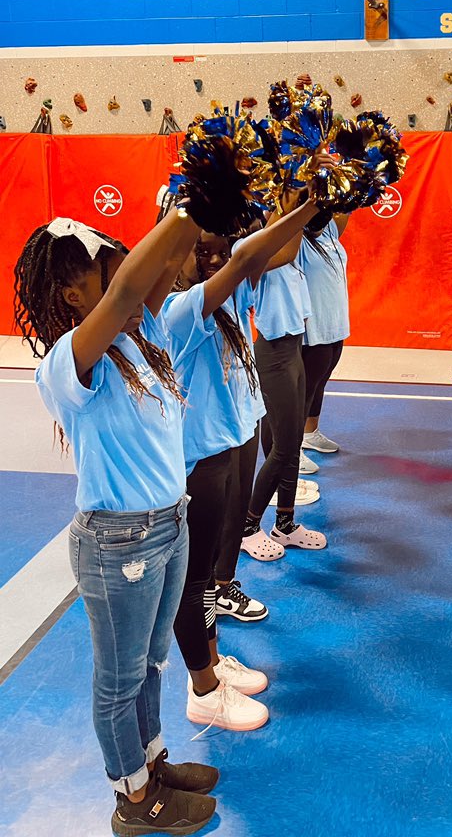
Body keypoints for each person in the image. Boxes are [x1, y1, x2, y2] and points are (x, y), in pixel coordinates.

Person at [14, 210, 219, 836]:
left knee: (150, 664)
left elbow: (145, 278)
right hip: (118, 542)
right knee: (119, 678)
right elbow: (134, 284)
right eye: (110, 275)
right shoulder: (67, 362)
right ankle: (133, 801)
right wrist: (190, 203)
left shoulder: (138, 331)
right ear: (75, 294)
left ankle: (151, 762)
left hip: (167, 526)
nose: (132, 284)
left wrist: (209, 203)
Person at [162, 200, 322, 733]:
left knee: (210, 575)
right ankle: (202, 688)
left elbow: (262, 255)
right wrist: (313, 198)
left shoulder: (228, 296)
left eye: (216, 249)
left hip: (226, 444)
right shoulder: (181, 308)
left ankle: (211, 661)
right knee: (196, 579)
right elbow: (242, 261)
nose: (211, 258)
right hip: (197, 456)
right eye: (198, 251)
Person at [241, 192, 328, 562]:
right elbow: (287, 243)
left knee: (292, 446)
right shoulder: (256, 253)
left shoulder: (289, 250)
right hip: (273, 356)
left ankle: (286, 524)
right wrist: (293, 197)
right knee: (281, 450)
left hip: (294, 351)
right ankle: (247, 527)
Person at [298, 210, 351, 463]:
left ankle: (310, 433)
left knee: (321, 382)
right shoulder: (297, 242)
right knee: (305, 389)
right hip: (313, 330)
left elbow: (347, 206)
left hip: (335, 325)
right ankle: (290, 450)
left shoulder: (329, 230)